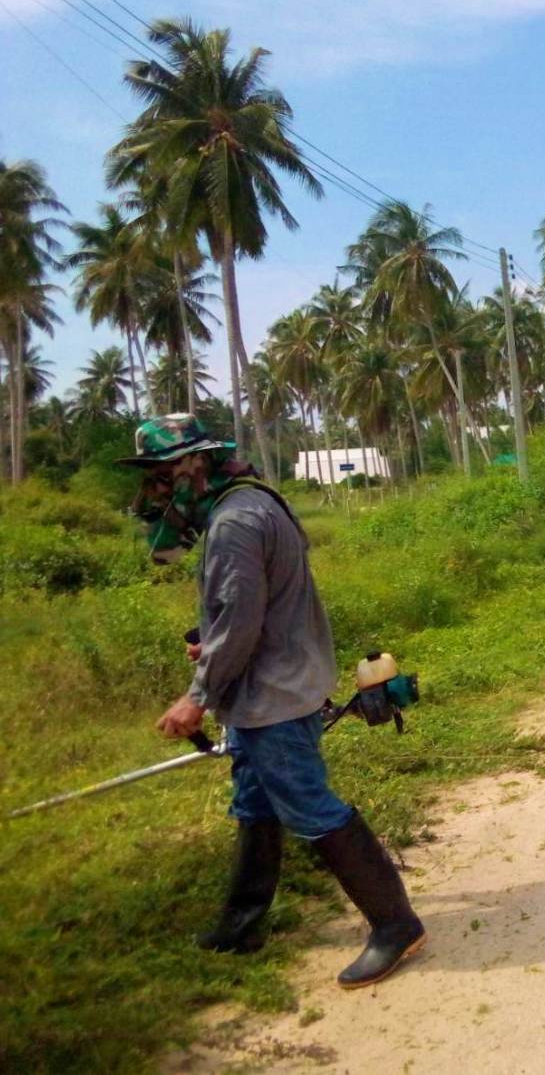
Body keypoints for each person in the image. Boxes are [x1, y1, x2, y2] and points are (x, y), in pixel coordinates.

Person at [122, 413, 425, 989]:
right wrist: (211, 645)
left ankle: (395, 924)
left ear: (193, 467)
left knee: (310, 808)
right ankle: (242, 924)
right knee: (255, 803)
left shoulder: (235, 521)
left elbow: (240, 621)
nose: (154, 491)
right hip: (276, 681)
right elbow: (248, 609)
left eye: (160, 477)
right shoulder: (253, 501)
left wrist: (197, 699)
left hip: (273, 696)